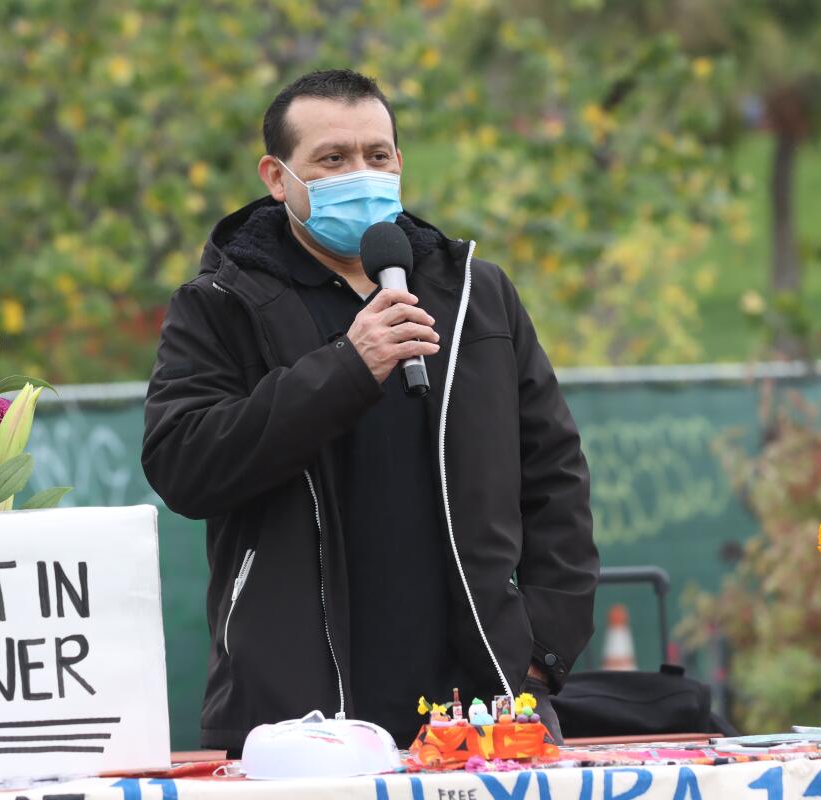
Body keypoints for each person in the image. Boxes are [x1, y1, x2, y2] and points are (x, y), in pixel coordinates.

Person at [142, 69, 598, 753]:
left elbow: (556, 474)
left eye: (376, 156)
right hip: (298, 721)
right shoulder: (220, 302)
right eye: (332, 159)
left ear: (399, 163)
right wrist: (347, 367)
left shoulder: (474, 290)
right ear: (277, 176)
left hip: (480, 706)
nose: (361, 173)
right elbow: (183, 462)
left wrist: (537, 652)